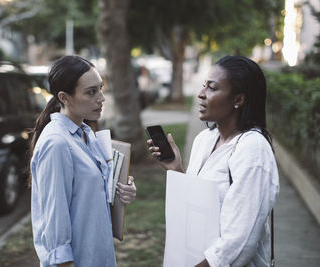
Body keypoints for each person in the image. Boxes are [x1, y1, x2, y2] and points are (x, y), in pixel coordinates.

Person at [148, 55, 279, 267]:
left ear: (238, 99)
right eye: (203, 86)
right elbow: (197, 206)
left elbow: (239, 242)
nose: (200, 94)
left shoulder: (253, 149)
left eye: (212, 88)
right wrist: (176, 170)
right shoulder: (205, 140)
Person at [29, 55, 137, 267]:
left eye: (100, 88)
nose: (101, 98)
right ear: (64, 97)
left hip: (98, 255)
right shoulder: (57, 143)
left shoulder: (85, 133)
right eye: (91, 92)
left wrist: (122, 191)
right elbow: (55, 225)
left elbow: (90, 195)